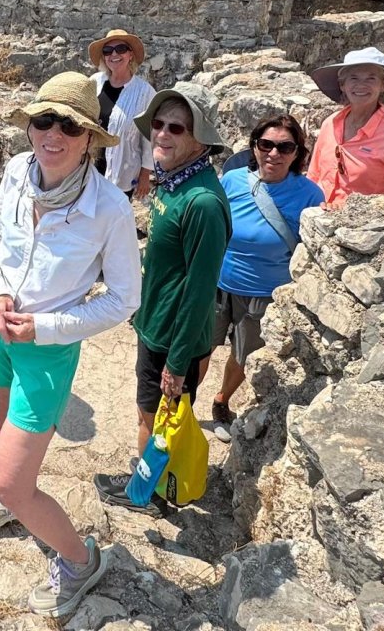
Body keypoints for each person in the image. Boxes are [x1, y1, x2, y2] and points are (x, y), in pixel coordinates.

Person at [0, 72, 141, 617]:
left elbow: (123, 300)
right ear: (30, 126)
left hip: (47, 347)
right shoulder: (17, 170)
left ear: (89, 138)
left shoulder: (109, 208)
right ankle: (13, 499)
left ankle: (82, 560)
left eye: (69, 125)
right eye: (43, 121)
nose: (52, 135)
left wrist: (46, 327)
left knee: (11, 482)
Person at [93, 82, 232, 515]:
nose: (162, 134)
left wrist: (177, 361)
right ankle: (150, 482)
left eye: (176, 127)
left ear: (198, 139)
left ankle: (147, 492)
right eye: (157, 124)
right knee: (152, 414)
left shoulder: (203, 202)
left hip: (173, 337)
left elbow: (200, 291)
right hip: (156, 323)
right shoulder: (173, 183)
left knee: (152, 418)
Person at [209, 116, 323, 442]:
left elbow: (312, 249)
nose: (274, 153)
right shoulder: (231, 181)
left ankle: (221, 402)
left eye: (285, 147)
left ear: (297, 153)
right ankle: (179, 409)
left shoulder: (309, 195)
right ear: (254, 146)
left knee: (244, 355)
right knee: (199, 348)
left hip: (264, 292)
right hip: (219, 284)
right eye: (266, 144)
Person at [307, 47, 384, 208]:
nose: (361, 85)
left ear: (383, 85)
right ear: (342, 85)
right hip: (315, 220)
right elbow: (314, 176)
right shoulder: (331, 123)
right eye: (353, 78)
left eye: (371, 78)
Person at [88, 29, 156, 200]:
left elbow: (149, 137)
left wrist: (145, 175)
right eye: (108, 51)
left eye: (121, 49)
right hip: (88, 167)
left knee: (113, 219)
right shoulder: (95, 82)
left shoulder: (145, 93)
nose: (114, 54)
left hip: (123, 171)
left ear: (130, 55)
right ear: (104, 57)